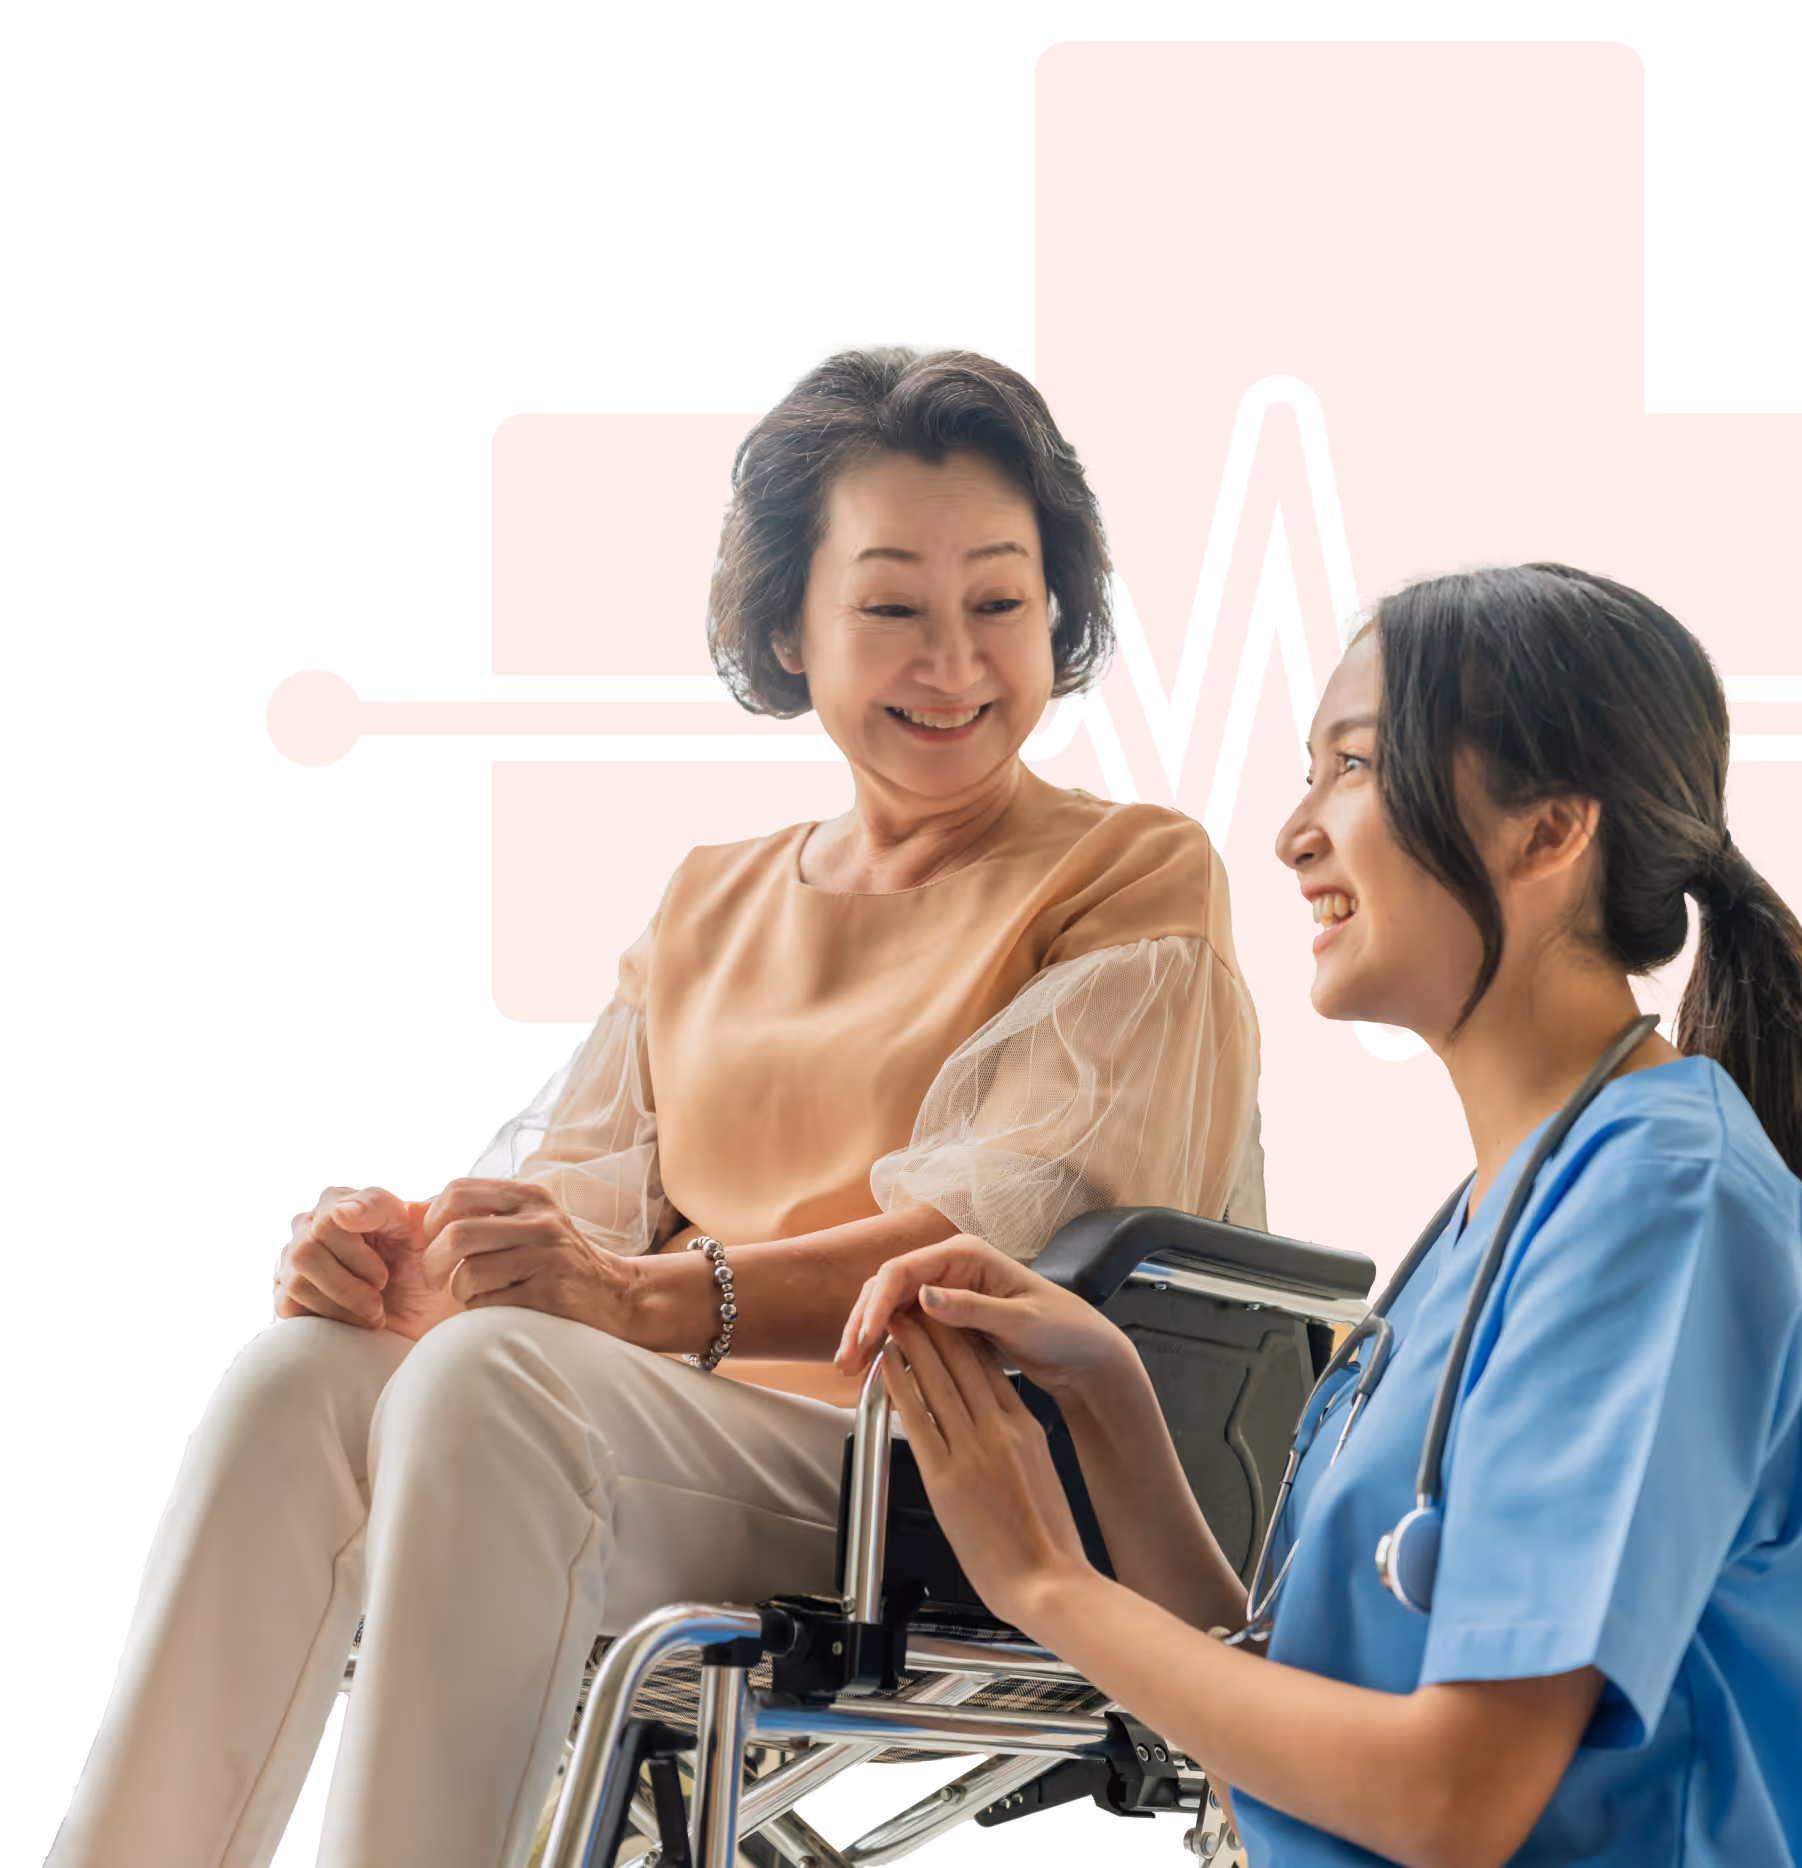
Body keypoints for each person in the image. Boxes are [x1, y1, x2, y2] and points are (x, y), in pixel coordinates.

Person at [49, 340, 1266, 1868]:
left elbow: (988, 1247)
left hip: (938, 1467)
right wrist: (399, 1259)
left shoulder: (1130, 873)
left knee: (490, 1382)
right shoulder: (710, 899)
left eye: (999, 602)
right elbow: (560, 1202)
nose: (953, 660)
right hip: (669, 1427)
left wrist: (633, 1301)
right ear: (789, 627)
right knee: (305, 1374)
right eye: (891, 607)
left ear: (1057, 614)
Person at [837, 559, 1802, 1867]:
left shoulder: (1659, 1206)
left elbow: (1452, 1800)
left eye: (1355, 765)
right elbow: (1287, 1720)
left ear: (1549, 832)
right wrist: (1109, 1404)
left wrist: (1047, 1584)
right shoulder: (1492, 1217)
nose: (1293, 832)